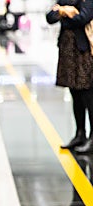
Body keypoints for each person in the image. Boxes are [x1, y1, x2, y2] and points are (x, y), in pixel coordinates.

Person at [46, 0, 93, 153]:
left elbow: (83, 18)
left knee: (88, 94)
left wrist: (62, 12)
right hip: (67, 51)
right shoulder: (65, 0)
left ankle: (92, 138)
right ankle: (80, 133)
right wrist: (66, 11)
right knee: (75, 93)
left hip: (84, 52)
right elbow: (50, 17)